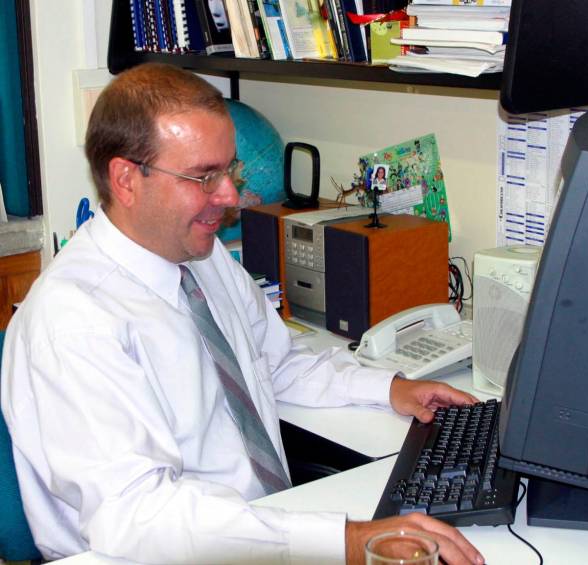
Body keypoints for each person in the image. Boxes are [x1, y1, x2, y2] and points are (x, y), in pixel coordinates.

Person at [0, 63, 484, 565]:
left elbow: (275, 363)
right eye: (203, 176)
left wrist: (389, 389)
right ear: (126, 179)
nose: (230, 197)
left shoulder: (200, 258)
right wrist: (347, 542)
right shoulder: (74, 321)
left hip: (252, 530)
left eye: (228, 170)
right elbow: (140, 518)